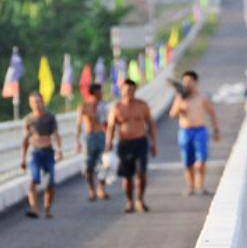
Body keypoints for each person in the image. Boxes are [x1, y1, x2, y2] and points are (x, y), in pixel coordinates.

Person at [106, 78, 157, 213]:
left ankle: (140, 199)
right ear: (121, 91)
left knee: (142, 173)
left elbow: (150, 125)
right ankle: (129, 202)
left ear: (135, 90)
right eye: (126, 89)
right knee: (127, 176)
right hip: (124, 144)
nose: (129, 92)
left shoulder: (142, 105)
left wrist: (154, 144)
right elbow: (111, 127)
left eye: (131, 89)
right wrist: (108, 144)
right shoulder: (116, 108)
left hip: (140, 142)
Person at [168, 70, 220, 196]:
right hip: (185, 132)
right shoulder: (180, 98)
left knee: (201, 160)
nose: (188, 84)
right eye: (185, 82)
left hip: (200, 131)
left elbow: (211, 113)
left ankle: (200, 186)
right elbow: (172, 115)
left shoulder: (202, 97)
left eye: (190, 81)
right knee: (188, 162)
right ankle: (191, 186)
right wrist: (180, 107)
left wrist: (216, 129)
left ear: (195, 82)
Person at [20, 92, 64, 218]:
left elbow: (56, 134)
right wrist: (23, 158)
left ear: (43, 102)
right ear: (30, 104)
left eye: (39, 101)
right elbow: (25, 141)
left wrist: (59, 150)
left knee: (50, 182)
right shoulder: (28, 120)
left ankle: (47, 207)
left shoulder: (50, 117)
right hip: (35, 153)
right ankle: (34, 208)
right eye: (34, 102)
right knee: (33, 179)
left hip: (48, 151)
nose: (37, 105)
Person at [75, 83, 110, 201]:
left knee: (104, 164)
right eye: (100, 92)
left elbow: (107, 124)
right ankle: (92, 190)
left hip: (101, 135)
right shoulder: (84, 106)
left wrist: (110, 139)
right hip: (89, 137)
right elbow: (79, 124)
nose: (102, 94)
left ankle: (101, 188)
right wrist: (77, 141)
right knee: (88, 166)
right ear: (94, 93)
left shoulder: (103, 106)